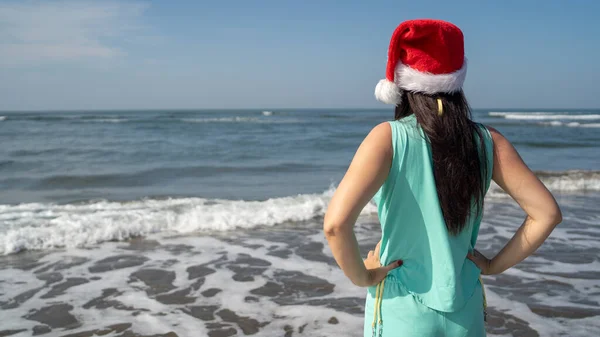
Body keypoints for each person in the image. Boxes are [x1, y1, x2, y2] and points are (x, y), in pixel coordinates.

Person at [323, 19, 562, 337]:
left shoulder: (387, 138)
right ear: (456, 81)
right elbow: (547, 214)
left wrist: (364, 277)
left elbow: (335, 226)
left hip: (401, 308)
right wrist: (493, 265)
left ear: (400, 80)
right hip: (466, 307)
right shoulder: (487, 141)